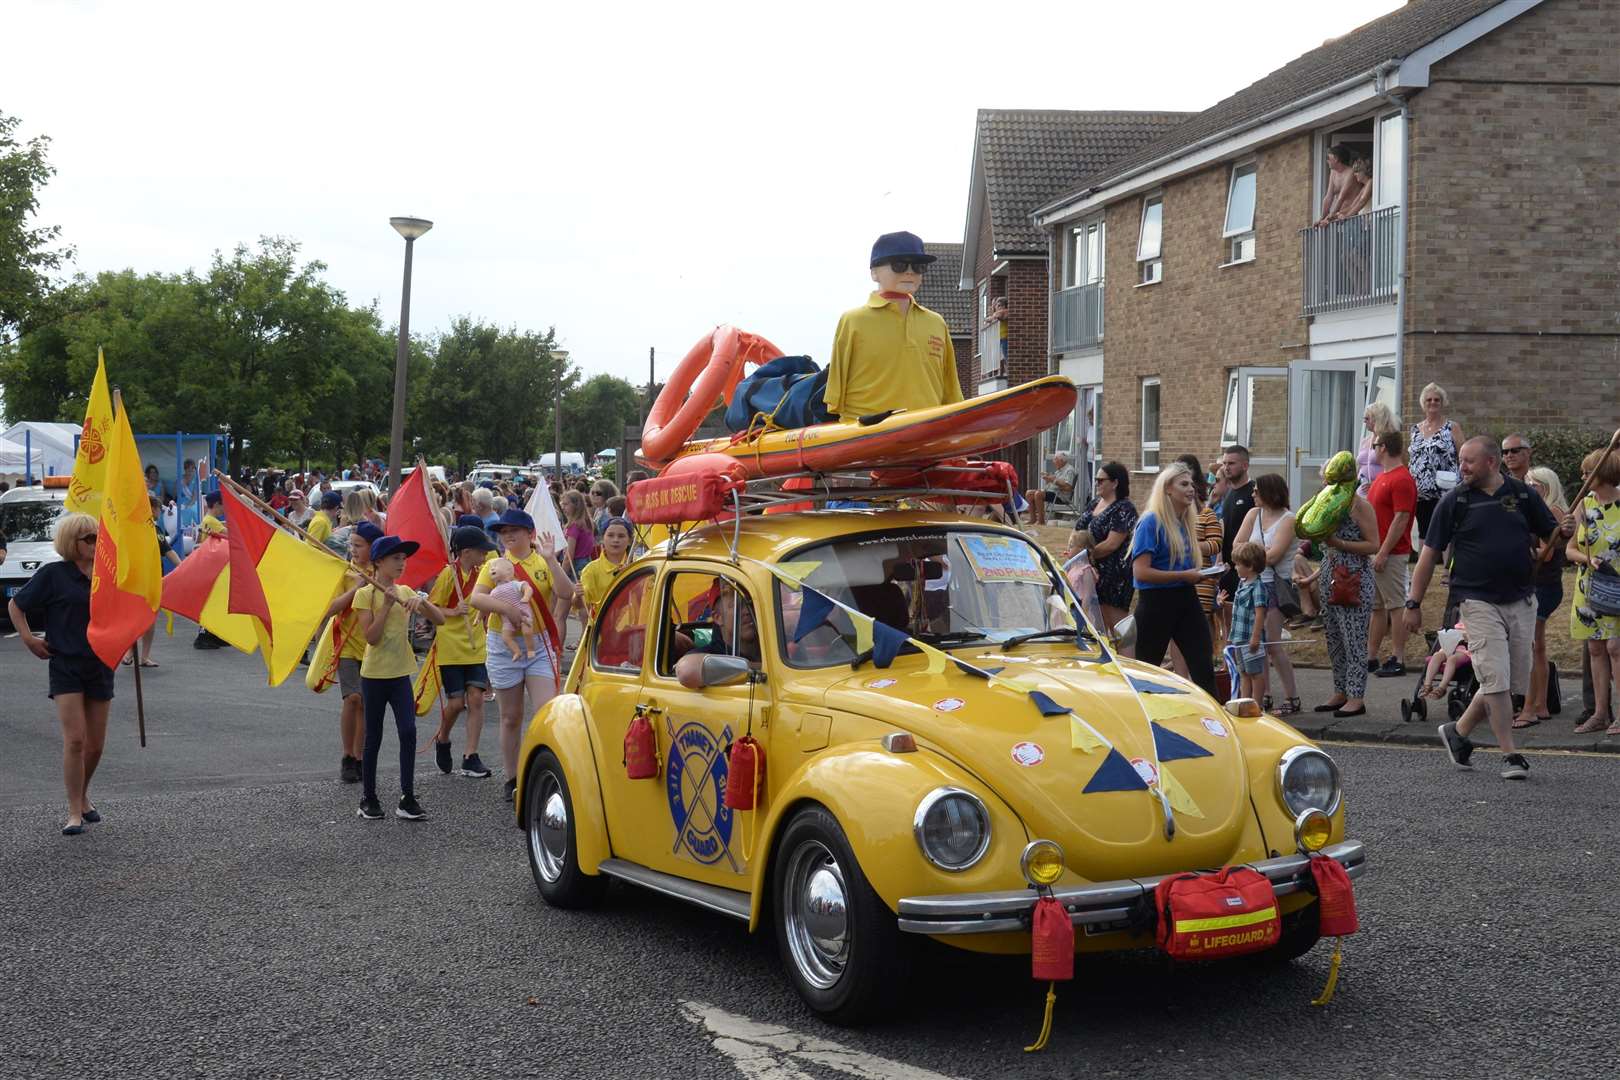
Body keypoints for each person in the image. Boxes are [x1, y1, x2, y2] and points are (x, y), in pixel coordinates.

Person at [1411, 437, 1559, 780]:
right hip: (1476, 601)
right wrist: (1413, 603)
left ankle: (1458, 733)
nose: (1461, 467)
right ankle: (1510, 754)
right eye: (1461, 460)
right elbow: (1429, 555)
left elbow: (1551, 534)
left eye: (1468, 461)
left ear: (1491, 463)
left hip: (1521, 598)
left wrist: (1564, 531)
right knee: (1495, 677)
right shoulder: (1455, 501)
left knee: (1504, 684)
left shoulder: (1523, 495)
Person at [8, 512, 117, 834]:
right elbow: (17, 605)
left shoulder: (106, 574)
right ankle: (73, 812)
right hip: (65, 663)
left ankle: (83, 796)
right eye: (89, 539)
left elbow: (122, 611)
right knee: (75, 740)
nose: (96, 544)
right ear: (73, 542)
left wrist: (129, 634)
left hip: (100, 663)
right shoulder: (54, 575)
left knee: (96, 745)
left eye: (99, 537)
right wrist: (28, 639)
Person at [470, 508, 575, 802]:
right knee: (511, 717)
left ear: (529, 533)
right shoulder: (495, 564)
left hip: (539, 644)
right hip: (504, 646)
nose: (508, 536)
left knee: (545, 712)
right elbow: (476, 598)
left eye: (514, 530)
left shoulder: (543, 559)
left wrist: (553, 560)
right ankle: (513, 777)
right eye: (503, 532)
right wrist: (507, 610)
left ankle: (547, 772)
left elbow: (566, 593)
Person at [353, 534, 446, 821]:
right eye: (395, 558)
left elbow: (440, 620)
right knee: (374, 737)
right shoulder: (365, 594)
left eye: (404, 559)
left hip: (401, 674)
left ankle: (407, 797)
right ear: (378, 561)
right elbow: (371, 638)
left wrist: (422, 601)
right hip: (374, 675)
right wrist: (386, 607)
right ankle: (368, 797)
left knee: (408, 732)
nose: (401, 564)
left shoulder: (405, 591)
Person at [824, 231, 962, 421]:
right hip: (867, 436)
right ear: (874, 272)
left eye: (918, 266)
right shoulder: (853, 321)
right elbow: (834, 394)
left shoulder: (936, 322)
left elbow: (951, 391)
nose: (910, 272)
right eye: (899, 265)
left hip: (926, 434)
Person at [1129, 462, 1216, 695]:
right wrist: (1184, 576)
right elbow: (1141, 572)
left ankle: (1214, 720)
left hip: (1186, 599)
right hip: (1156, 603)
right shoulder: (1151, 522)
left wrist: (1207, 573)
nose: (1191, 489)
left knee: (1203, 663)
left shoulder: (1186, 522)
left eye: (1192, 484)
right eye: (1184, 484)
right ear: (1168, 488)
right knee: (1147, 670)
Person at [423, 525, 497, 777]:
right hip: (451, 646)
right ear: (466, 552)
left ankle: (470, 756)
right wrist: (453, 611)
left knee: (476, 697)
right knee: (455, 703)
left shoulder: (482, 574)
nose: (485, 555)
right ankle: (443, 738)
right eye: (480, 551)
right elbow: (430, 607)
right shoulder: (448, 575)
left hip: (475, 644)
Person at [1314, 469, 1379, 717]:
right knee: (1334, 638)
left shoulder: (1359, 506)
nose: (1325, 484)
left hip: (1354, 576)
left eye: (1329, 480)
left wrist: (1339, 544)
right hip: (1331, 572)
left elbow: (1373, 545)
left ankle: (1355, 697)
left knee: (1353, 638)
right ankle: (1340, 691)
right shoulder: (1328, 502)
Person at [1234, 473, 1300, 715]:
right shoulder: (1253, 514)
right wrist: (1259, 551)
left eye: (1256, 491)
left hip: (1272, 586)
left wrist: (1250, 552)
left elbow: (1274, 556)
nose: (1252, 495)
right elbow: (1235, 547)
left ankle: (1292, 697)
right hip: (1248, 585)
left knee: (1271, 644)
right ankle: (1265, 695)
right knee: (1254, 645)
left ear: (1269, 492)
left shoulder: (1288, 519)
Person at [321, 521, 382, 782]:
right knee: (353, 699)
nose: (353, 550)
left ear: (373, 548)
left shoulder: (382, 574)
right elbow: (330, 608)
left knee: (366, 705)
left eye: (359, 545)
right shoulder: (345, 573)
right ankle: (347, 755)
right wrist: (357, 588)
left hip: (372, 646)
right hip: (346, 643)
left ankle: (359, 756)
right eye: (352, 544)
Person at [1568, 447, 1620, 735]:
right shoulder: (1584, 504)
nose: (1583, 476)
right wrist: (1587, 559)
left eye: (1588, 472)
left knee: (1616, 648)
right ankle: (1600, 713)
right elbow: (1569, 549)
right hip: (1589, 584)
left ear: (1604, 474)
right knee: (1596, 648)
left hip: (1617, 586)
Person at [1516, 466, 1570, 729]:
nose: (1528, 488)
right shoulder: (1545, 509)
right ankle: (1540, 704)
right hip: (1545, 585)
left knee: (1532, 646)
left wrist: (1515, 547)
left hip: (1544, 586)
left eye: (1533, 484)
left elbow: (1545, 554)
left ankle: (1532, 707)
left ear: (1546, 487)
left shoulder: (1550, 511)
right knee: (1537, 646)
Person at [1366, 431, 1417, 677]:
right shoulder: (1381, 478)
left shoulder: (1401, 479)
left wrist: (1384, 552)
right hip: (1376, 552)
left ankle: (1398, 657)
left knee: (1396, 605)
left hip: (1392, 553)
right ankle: (1371, 656)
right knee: (1377, 607)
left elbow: (1402, 517)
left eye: (1374, 445)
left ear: (1383, 447)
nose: (1373, 449)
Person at [1076, 462, 1137, 636]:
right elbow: (1079, 528)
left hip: (1114, 576)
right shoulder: (1094, 503)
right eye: (1096, 480)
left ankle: (1127, 661)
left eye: (1101, 480)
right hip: (1091, 573)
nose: (1097, 483)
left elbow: (1112, 544)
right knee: (1095, 624)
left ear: (1115, 483)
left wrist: (1085, 555)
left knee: (1117, 627)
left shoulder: (1125, 508)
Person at [127, 494, 183, 669]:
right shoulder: (139, 527)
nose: (160, 512)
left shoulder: (156, 529)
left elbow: (167, 550)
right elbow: (169, 553)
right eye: (158, 508)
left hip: (149, 580)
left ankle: (142, 657)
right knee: (138, 618)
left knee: (148, 618)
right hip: (141, 580)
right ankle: (131, 653)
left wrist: (183, 567)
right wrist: (182, 566)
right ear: (151, 508)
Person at [675, 582, 761, 688]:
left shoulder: (774, 648)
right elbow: (687, 669)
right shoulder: (712, 654)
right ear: (718, 617)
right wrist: (760, 668)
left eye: (750, 604)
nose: (747, 611)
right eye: (736, 606)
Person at [1408, 383, 1464, 542]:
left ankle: (1447, 567)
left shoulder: (1452, 427)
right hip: (1420, 491)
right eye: (1429, 400)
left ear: (1442, 402)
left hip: (1445, 489)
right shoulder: (1415, 429)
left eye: (1436, 400)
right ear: (1423, 403)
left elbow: (1464, 455)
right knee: (1424, 531)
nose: (1432, 403)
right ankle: (1423, 565)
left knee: (1446, 530)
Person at [1227, 542, 1270, 703]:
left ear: (1250, 566)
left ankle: (1257, 705)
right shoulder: (1242, 584)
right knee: (1243, 672)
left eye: (1238, 564)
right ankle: (1245, 703)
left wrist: (1255, 637)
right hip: (1239, 637)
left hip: (1250, 639)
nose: (1235, 567)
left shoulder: (1258, 587)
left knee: (1255, 673)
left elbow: (1260, 614)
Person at [1216, 445, 1255, 602]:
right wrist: (1219, 558)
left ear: (1245, 466)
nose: (1226, 467)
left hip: (1246, 567)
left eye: (1231, 463)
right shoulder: (1229, 493)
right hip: (1227, 567)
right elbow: (1224, 527)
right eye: (1224, 463)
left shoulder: (1254, 492)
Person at [486, 557, 540, 660]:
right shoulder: (494, 592)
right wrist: (479, 616)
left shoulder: (515, 584)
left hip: (524, 614)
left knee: (527, 631)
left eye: (496, 567)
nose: (492, 569)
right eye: (491, 568)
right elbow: (487, 604)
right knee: (506, 637)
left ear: (508, 571)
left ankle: (530, 649)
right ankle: (516, 652)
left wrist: (526, 597)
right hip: (507, 621)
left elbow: (528, 589)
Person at [579, 517, 634, 616]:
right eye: (610, 535)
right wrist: (577, 595)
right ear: (602, 539)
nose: (615, 540)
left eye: (621, 536)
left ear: (630, 540)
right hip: (601, 627)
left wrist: (631, 577)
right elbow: (581, 605)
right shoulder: (591, 570)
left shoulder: (637, 566)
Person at [1314, 143, 1364, 226]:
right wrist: (1322, 218)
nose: (1327, 161)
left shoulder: (1350, 172)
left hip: (1352, 216)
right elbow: (1328, 197)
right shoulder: (1333, 172)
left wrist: (1329, 217)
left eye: (1328, 158)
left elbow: (1341, 197)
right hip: (1339, 217)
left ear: (1336, 158)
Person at [1356, 401, 1399, 495]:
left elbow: (1395, 467)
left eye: (1367, 418)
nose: (1364, 421)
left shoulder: (1389, 440)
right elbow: (1360, 467)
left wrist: (1375, 484)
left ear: (1377, 419)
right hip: (1361, 491)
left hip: (1379, 490)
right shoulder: (1365, 441)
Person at [1421, 622, 1471, 699]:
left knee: (1451, 659)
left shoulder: (1476, 622)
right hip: (1450, 647)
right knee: (1436, 656)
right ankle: (1427, 685)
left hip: (1465, 650)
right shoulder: (1459, 624)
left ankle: (1442, 687)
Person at [1026, 451, 1077, 527]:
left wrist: (1053, 480)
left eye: (1055, 460)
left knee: (1038, 494)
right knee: (1029, 493)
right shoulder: (1060, 470)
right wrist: (1048, 477)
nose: (1053, 462)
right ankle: (1033, 519)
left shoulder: (1070, 470)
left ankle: (1041, 521)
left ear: (1061, 461)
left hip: (1060, 495)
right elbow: (1055, 480)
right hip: (1053, 492)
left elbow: (1068, 487)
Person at [561, 489, 597, 575]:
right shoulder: (586, 522)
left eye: (566, 504)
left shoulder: (574, 526)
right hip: (587, 560)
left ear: (575, 505)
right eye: (562, 504)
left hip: (576, 564)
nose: (563, 507)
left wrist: (562, 574)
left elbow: (569, 555)